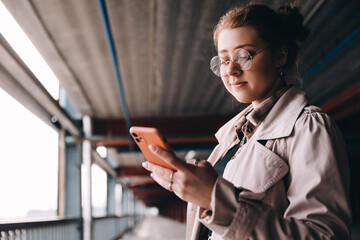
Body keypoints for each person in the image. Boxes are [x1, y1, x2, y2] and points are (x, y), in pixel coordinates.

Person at [142, 4, 352, 240]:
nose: (230, 70)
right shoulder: (231, 138)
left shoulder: (309, 128)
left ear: (280, 55)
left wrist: (215, 198)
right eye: (223, 60)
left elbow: (324, 235)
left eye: (244, 55)